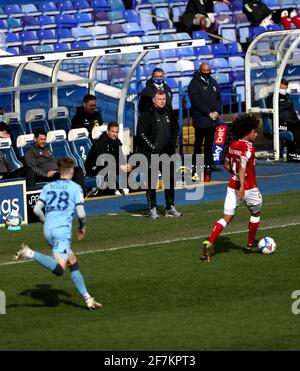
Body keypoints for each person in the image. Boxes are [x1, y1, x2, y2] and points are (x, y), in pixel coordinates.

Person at [14, 157, 102, 310]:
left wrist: (45, 222)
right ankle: (29, 253)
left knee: (73, 262)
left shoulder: (48, 187)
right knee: (60, 269)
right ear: (72, 171)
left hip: (47, 228)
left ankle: (88, 298)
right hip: (61, 231)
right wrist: (83, 227)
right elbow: (81, 214)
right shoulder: (75, 188)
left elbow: (36, 210)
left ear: (59, 171)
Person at [202, 114, 262, 262]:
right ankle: (250, 243)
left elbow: (227, 165)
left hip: (232, 185)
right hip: (248, 187)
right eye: (254, 132)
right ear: (247, 132)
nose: (256, 134)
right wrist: (242, 187)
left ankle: (209, 242)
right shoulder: (248, 147)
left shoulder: (233, 145)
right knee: (255, 214)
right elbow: (242, 167)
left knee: (226, 218)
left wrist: (235, 177)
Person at [136, 91, 182, 219]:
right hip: (152, 155)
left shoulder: (169, 111)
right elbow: (141, 134)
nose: (162, 101)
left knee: (170, 180)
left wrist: (175, 143)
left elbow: (176, 129)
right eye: (159, 99)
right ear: (154, 100)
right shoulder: (147, 114)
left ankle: (170, 207)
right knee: (151, 182)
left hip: (168, 153)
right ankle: (152, 209)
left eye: (164, 99)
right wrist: (152, 147)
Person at [188, 62, 221, 172]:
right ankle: (196, 165)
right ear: (200, 70)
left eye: (208, 70)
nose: (206, 73)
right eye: (204, 70)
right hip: (201, 119)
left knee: (209, 143)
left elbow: (218, 99)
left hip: (212, 119)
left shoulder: (213, 82)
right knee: (198, 143)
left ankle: (209, 164)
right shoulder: (194, 83)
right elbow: (196, 101)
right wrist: (208, 113)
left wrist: (216, 111)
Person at [84, 122, 132, 195]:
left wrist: (125, 165)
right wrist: (119, 167)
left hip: (109, 166)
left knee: (128, 167)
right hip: (93, 168)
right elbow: (104, 161)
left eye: (117, 132)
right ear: (107, 131)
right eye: (112, 131)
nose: (115, 134)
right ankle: (115, 189)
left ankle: (128, 187)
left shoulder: (117, 141)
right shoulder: (100, 142)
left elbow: (120, 157)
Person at [266, 79, 300, 153]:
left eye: (285, 88)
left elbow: (292, 112)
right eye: (282, 88)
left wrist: (296, 119)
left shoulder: (288, 98)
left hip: (291, 122)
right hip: (279, 124)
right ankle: (295, 150)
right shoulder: (272, 98)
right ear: (277, 88)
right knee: (296, 128)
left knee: (297, 125)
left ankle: (294, 150)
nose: (283, 90)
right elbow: (273, 111)